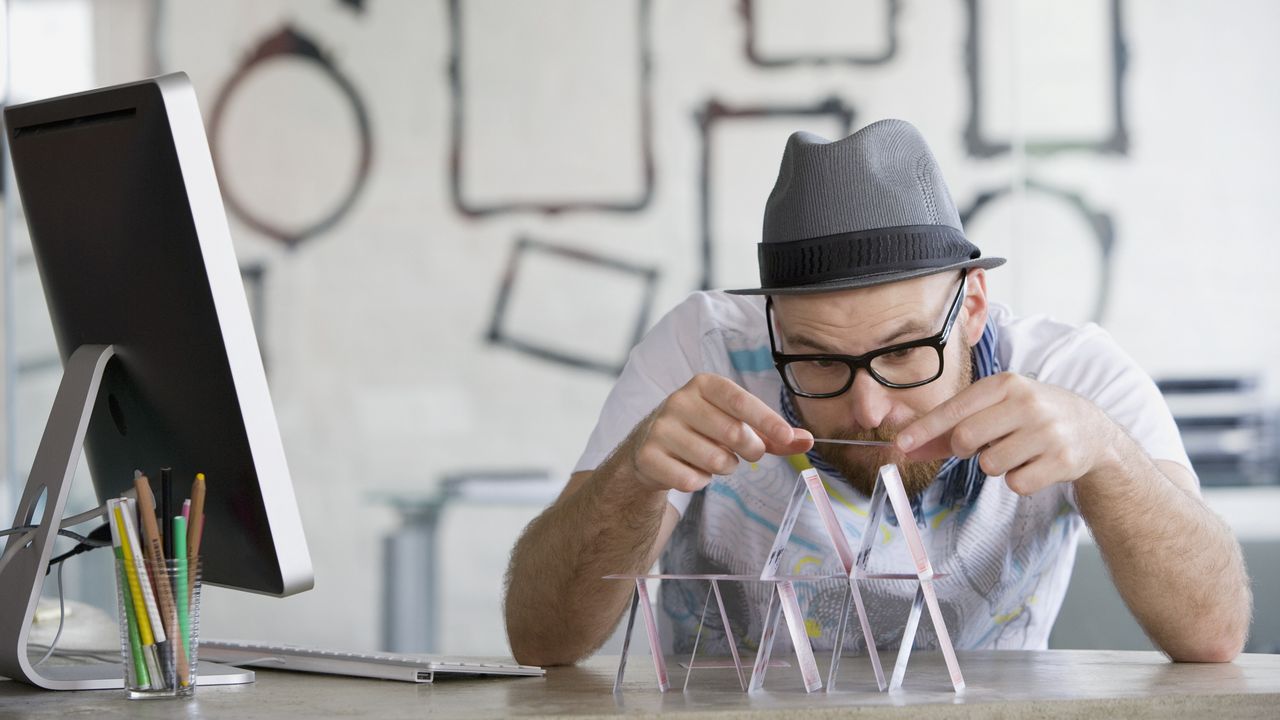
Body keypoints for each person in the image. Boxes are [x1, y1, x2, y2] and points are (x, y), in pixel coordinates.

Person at [503, 120, 1251, 667]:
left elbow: (1216, 633)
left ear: (975, 305)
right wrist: (634, 475)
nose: (867, 409)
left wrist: (1109, 456)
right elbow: (541, 640)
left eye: (902, 351)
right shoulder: (699, 352)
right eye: (819, 360)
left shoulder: (1072, 374)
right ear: (772, 327)